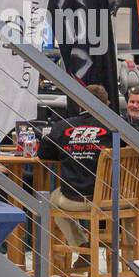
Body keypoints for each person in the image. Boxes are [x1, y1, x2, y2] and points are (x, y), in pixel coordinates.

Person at [38, 83, 116, 247]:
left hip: (73, 199)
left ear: (80, 103)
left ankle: (81, 246)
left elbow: (44, 154)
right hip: (110, 199)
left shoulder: (63, 126)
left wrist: (72, 151)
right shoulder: (116, 128)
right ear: (106, 104)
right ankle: (135, 259)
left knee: (52, 200)